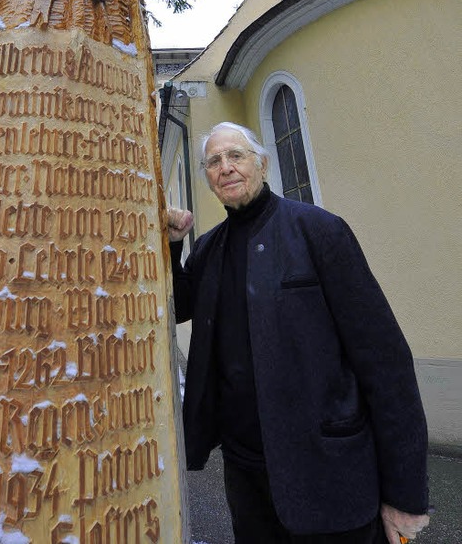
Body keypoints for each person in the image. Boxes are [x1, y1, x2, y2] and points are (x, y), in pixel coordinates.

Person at [167, 121, 430, 544]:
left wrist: (406, 494)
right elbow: (177, 308)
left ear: (263, 164)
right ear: (209, 180)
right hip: (247, 475)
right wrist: (175, 245)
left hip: (327, 473)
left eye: (236, 155)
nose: (226, 167)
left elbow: (385, 361)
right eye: (214, 161)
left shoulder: (320, 231)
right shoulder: (208, 248)